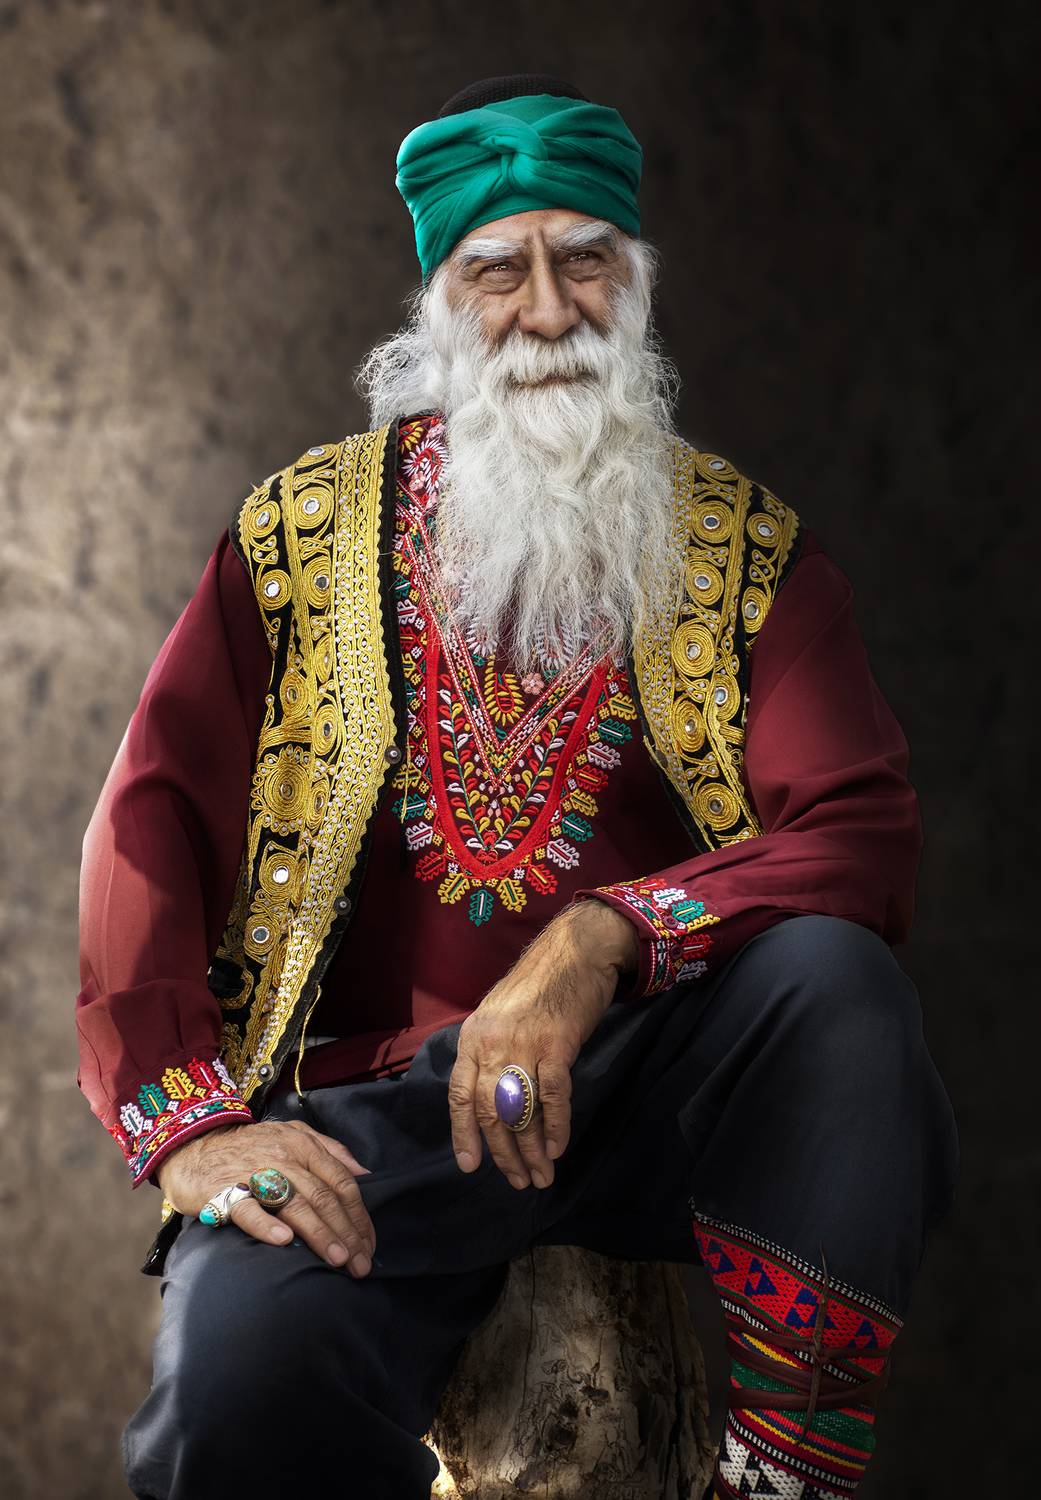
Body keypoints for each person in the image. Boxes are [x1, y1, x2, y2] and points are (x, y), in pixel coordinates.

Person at [76, 74, 958, 1500]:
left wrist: (601, 938)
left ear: (638, 282)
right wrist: (192, 1126)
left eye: (585, 260)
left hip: (660, 1092)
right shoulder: (298, 535)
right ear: (438, 301)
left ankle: (781, 1475)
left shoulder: (744, 551)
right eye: (499, 270)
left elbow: (857, 830)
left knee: (833, 983)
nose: (549, 313)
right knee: (227, 1410)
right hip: (380, 1129)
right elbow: (150, 825)